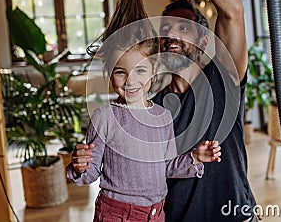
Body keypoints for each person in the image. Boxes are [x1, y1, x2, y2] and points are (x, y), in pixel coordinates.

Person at [66, 29, 222, 221]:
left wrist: (195, 157)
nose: (131, 80)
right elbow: (90, 173)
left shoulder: (163, 116)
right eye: (120, 72)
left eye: (140, 70)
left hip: (156, 213)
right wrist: (80, 166)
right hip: (115, 213)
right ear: (109, 73)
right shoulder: (104, 117)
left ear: (154, 71)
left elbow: (167, 166)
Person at [151, 0, 258, 221]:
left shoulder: (223, 79)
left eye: (183, 27)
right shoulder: (151, 108)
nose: (172, 34)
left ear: (204, 40)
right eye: (166, 28)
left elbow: (232, 10)